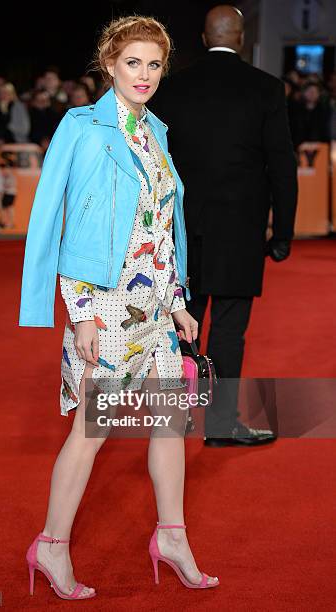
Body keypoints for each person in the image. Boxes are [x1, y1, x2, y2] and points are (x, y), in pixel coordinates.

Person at [19, 15, 219, 600]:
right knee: (92, 429)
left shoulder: (156, 129)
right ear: (109, 65)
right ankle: (51, 547)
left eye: (155, 64)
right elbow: (55, 218)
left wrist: (178, 298)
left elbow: (161, 228)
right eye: (133, 62)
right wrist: (78, 309)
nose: (145, 75)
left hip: (156, 309)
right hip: (104, 307)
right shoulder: (81, 127)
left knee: (168, 427)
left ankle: (173, 537)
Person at [151, 5, 298, 447]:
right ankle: (221, 424)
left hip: (183, 232)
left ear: (202, 37)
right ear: (241, 37)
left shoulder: (172, 88)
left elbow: (155, 162)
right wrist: (282, 234)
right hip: (240, 231)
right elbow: (282, 167)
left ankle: (172, 422)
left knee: (180, 326)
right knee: (230, 329)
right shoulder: (266, 89)